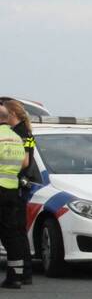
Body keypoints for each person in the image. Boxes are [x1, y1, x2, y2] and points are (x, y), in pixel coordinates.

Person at [0, 98, 35, 284]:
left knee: (14, 232)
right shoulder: (18, 136)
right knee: (12, 232)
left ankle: (21, 273)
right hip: (13, 188)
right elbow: (24, 162)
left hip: (7, 186)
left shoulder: (17, 133)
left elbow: (26, 163)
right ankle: (18, 274)